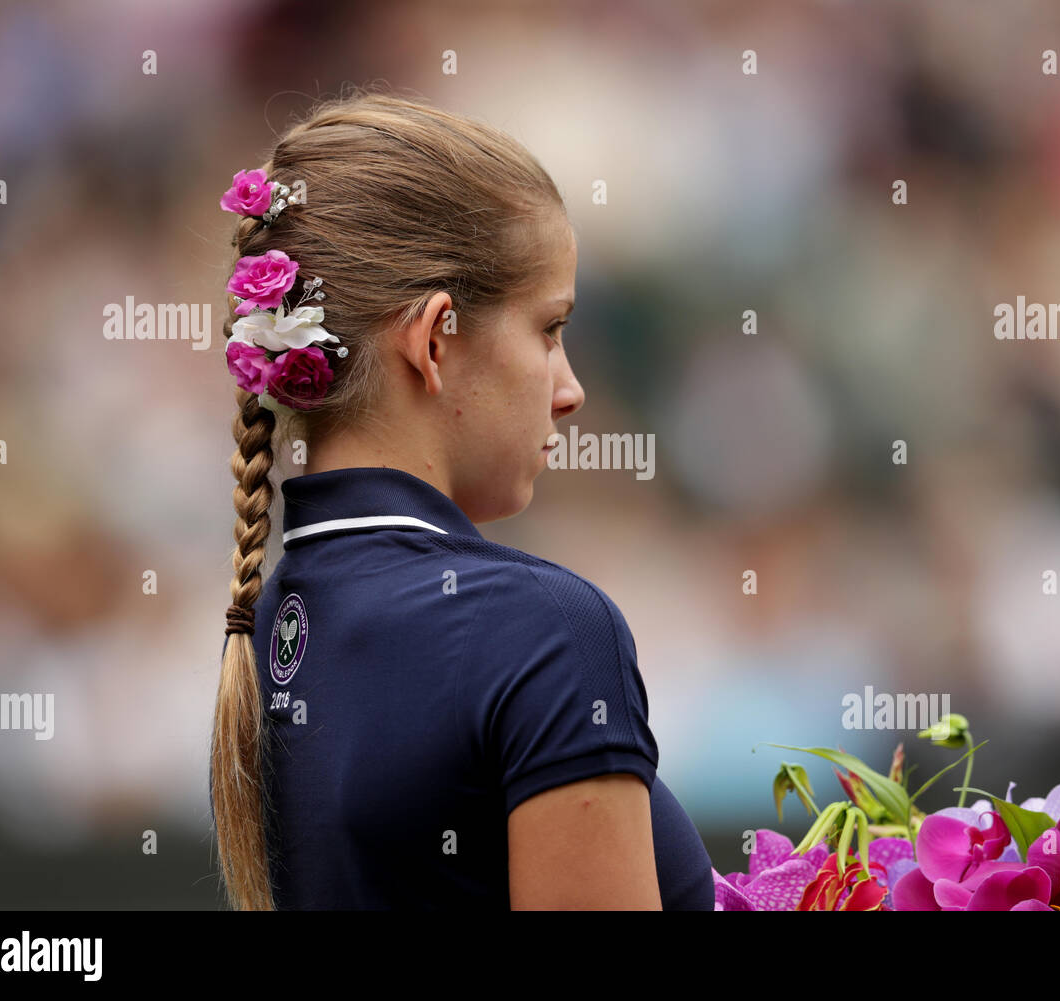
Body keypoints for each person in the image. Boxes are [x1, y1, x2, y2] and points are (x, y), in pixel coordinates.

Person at [209, 88, 715, 910]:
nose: (571, 388)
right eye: (549, 330)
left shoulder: (267, 624)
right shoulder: (545, 628)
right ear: (436, 337)